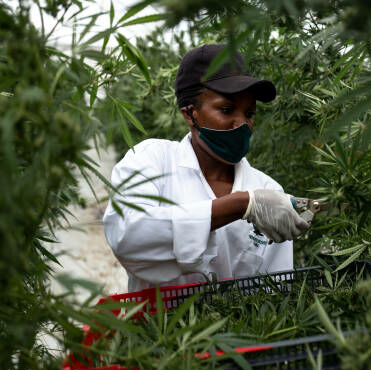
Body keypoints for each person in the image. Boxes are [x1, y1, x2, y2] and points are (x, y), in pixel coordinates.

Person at [103, 44, 310, 292]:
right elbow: (128, 237)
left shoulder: (268, 191)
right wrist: (241, 204)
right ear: (190, 113)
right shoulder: (151, 161)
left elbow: (276, 289)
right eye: (227, 110)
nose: (242, 124)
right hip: (159, 318)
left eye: (249, 113)